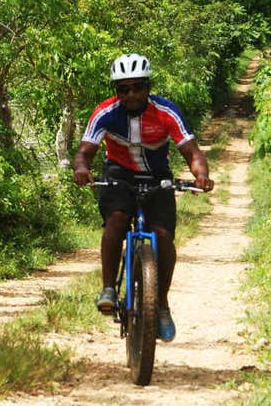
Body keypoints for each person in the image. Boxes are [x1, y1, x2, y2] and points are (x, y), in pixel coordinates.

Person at [72, 53, 213, 342]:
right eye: (123, 89)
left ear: (148, 87)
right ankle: (108, 288)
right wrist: (82, 168)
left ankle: (160, 304)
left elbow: (191, 151)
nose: (131, 94)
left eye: (137, 87)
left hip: (157, 177)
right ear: (116, 91)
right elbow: (85, 152)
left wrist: (201, 175)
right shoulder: (105, 113)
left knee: (163, 236)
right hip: (117, 176)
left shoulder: (166, 112)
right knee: (116, 220)